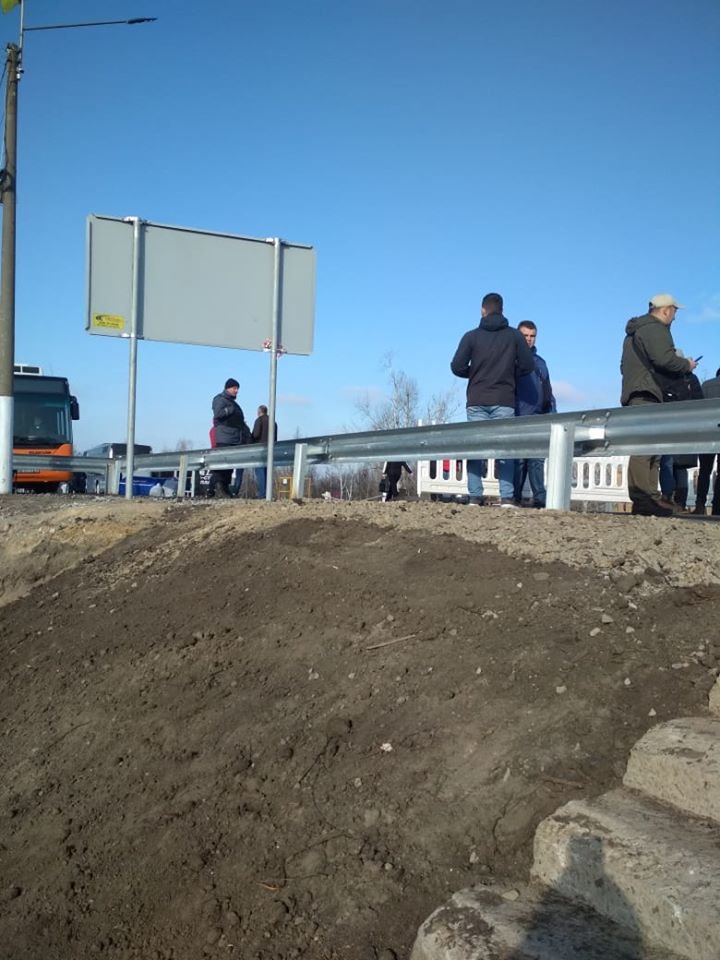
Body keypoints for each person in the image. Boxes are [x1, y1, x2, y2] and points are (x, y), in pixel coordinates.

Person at [451, 292, 534, 506]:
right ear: (502, 310)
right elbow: (528, 364)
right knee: (505, 449)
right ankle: (506, 497)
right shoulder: (514, 336)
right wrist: (509, 374)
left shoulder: (471, 337)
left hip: (477, 398)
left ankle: (475, 496)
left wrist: (475, 373)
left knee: (475, 448)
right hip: (504, 399)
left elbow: (456, 366)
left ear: (482, 310)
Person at [620, 294, 697, 517]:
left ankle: (648, 497)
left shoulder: (634, 333)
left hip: (638, 390)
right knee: (645, 447)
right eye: (674, 311)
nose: (675, 317)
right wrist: (686, 364)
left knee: (649, 446)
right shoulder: (655, 329)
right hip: (648, 392)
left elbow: (624, 366)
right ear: (665, 310)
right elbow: (665, 359)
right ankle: (644, 497)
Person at [513, 320, 556, 508]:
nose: (529, 339)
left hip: (539, 416)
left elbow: (548, 390)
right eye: (525, 336)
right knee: (520, 460)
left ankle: (540, 498)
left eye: (532, 336)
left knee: (537, 459)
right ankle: (514, 497)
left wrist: (552, 413)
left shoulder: (540, 363)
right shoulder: (511, 360)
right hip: (519, 416)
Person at [210, 378, 251, 498]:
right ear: (228, 388)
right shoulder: (220, 399)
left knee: (229, 465)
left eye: (237, 388)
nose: (237, 391)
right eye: (235, 388)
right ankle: (218, 488)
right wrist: (230, 410)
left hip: (235, 438)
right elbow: (218, 413)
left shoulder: (234, 403)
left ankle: (224, 488)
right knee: (222, 464)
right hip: (225, 436)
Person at [695, 366, 720, 515]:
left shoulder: (706, 385)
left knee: (704, 471)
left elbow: (699, 410)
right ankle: (717, 506)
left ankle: (700, 505)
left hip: (707, 433)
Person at [251, 404, 278, 498]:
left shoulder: (259, 420)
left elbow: (256, 434)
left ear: (259, 412)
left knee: (260, 471)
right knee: (267, 471)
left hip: (260, 449)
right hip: (271, 449)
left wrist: (251, 439)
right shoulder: (273, 422)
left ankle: (262, 494)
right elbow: (275, 437)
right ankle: (267, 493)